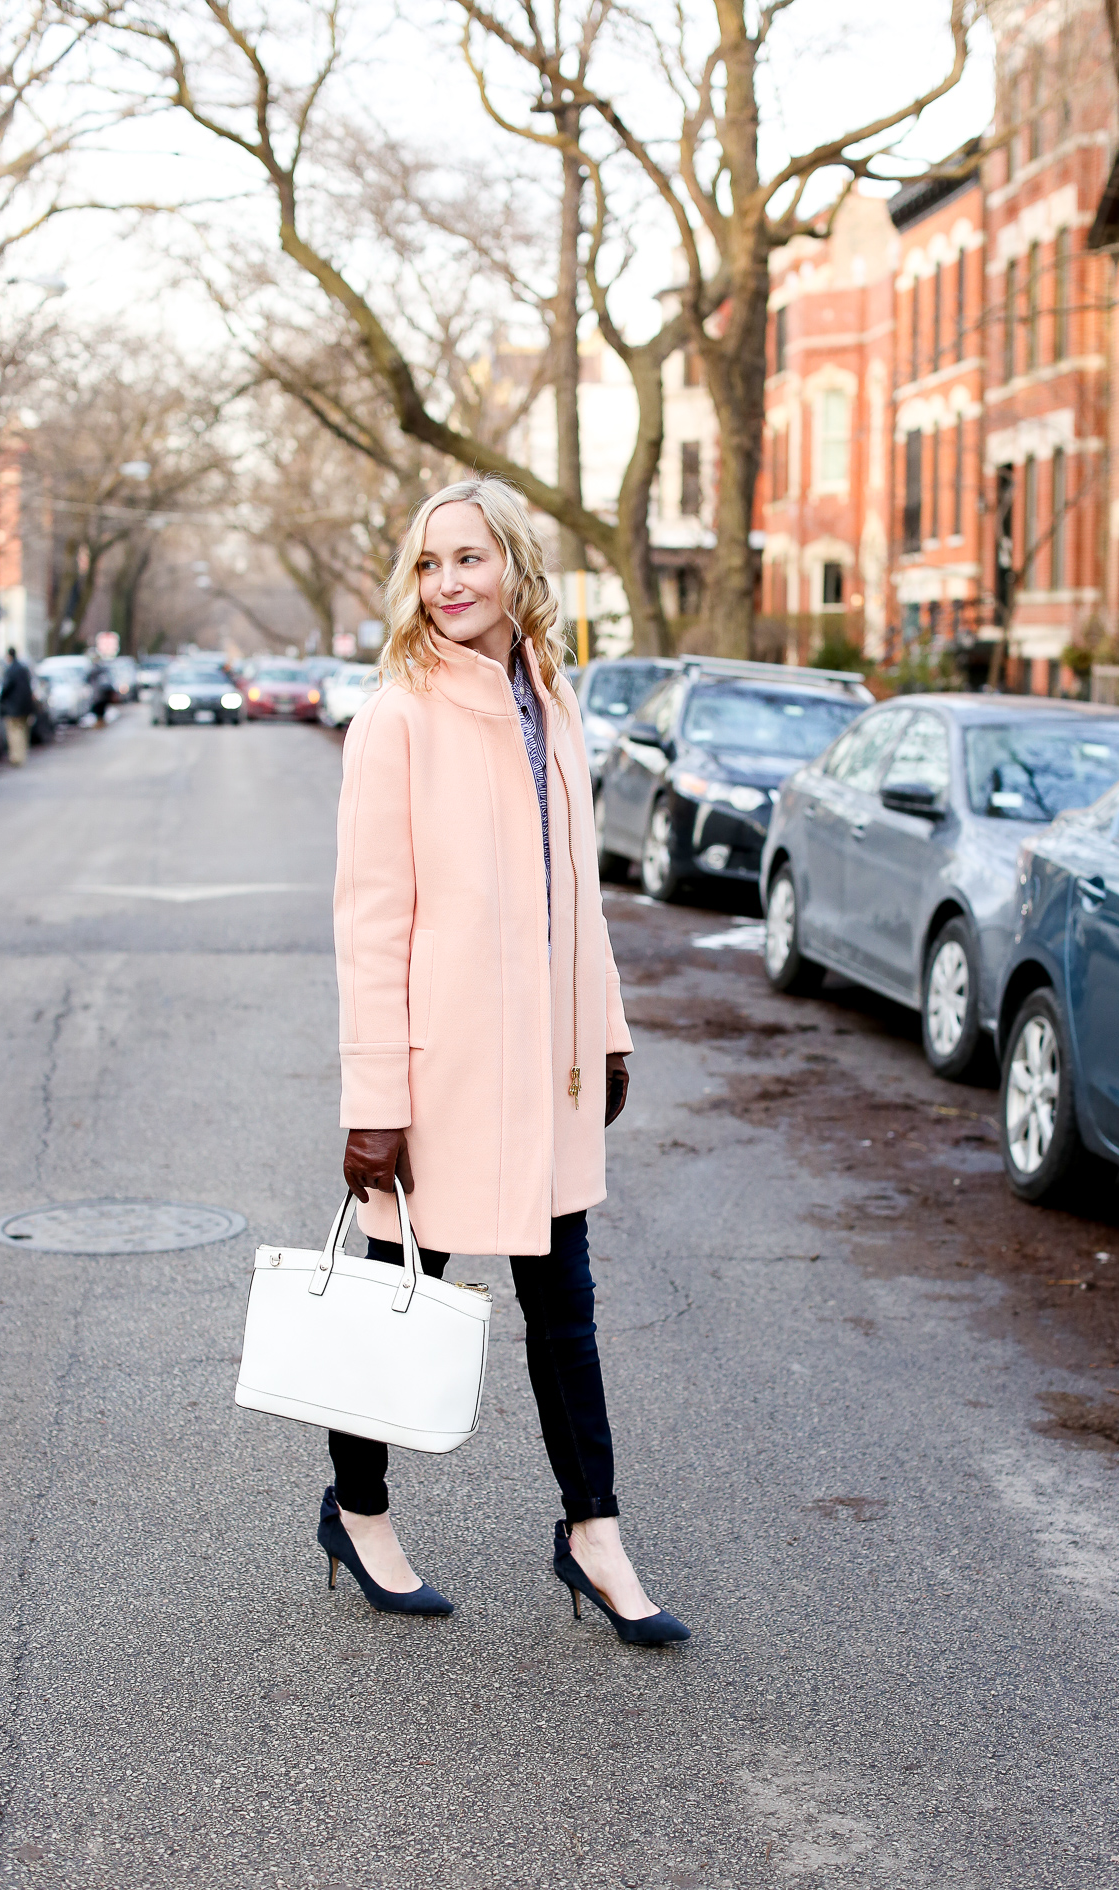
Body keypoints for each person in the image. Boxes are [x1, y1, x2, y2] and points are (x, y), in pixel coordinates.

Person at [320, 477, 689, 1647]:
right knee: (400, 1308)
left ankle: (595, 1536)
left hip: (551, 1072)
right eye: (431, 566)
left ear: (514, 567)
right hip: (438, 1082)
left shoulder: (554, 700)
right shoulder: (398, 716)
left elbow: (575, 892)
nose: (450, 586)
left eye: (469, 560)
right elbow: (370, 924)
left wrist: (610, 1029)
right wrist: (374, 1101)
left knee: (565, 1311)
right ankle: (360, 1512)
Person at [0, 647, 35, 766]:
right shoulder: (23, 669)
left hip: (13, 708)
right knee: (23, 731)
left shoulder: (10, 670)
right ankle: (22, 755)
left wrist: (1, 700)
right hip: (25, 706)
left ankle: (16, 756)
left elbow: (6, 688)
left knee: (14, 732)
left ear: (8, 656)